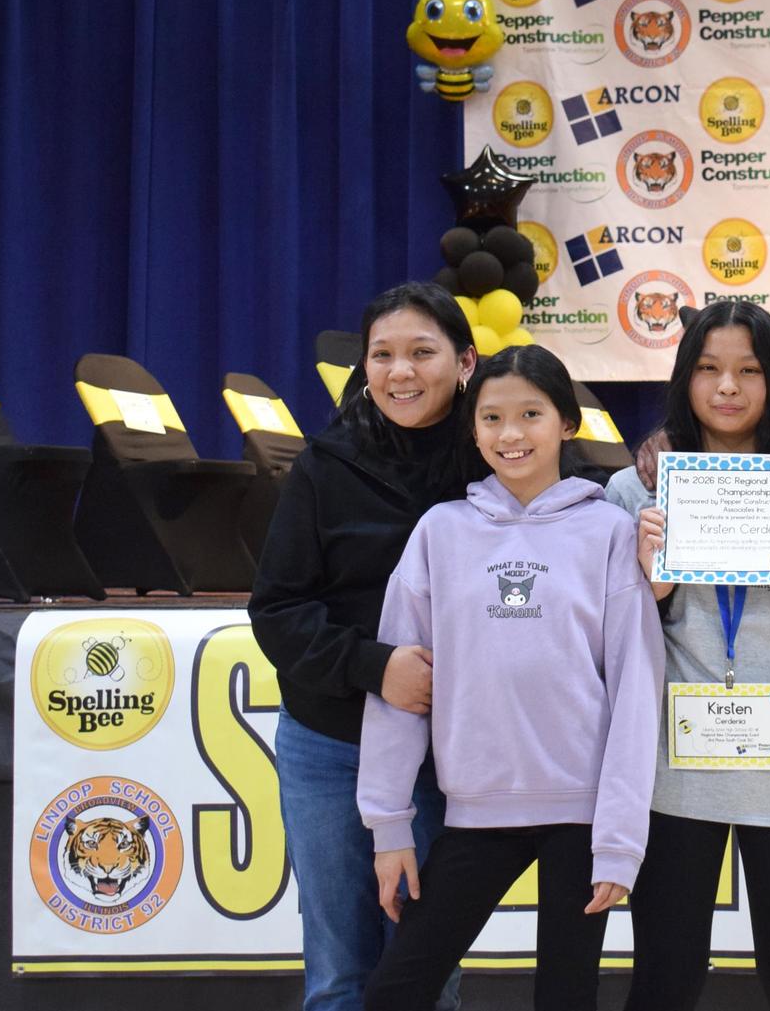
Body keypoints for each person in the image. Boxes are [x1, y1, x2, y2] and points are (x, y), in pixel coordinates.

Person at [358, 345, 665, 1011]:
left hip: (581, 819)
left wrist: (618, 841)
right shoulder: (441, 531)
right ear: (473, 430)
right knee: (395, 990)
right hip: (476, 808)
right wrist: (389, 828)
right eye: (492, 417)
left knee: (566, 997)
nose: (511, 433)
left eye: (531, 413)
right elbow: (400, 688)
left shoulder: (610, 532)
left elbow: (637, 690)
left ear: (567, 424)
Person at [604, 301, 770, 1011]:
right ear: (683, 378)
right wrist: (651, 588)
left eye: (749, 370)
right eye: (709, 369)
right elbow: (605, 651)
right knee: (665, 972)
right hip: (670, 762)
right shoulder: (634, 491)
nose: (727, 387)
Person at [249, 281, 475, 1011]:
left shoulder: (496, 456)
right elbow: (277, 610)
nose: (399, 372)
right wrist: (376, 668)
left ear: (466, 361)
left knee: (426, 971)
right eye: (383, 354)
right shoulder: (326, 462)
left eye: (421, 352)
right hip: (329, 743)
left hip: (447, 751)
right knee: (340, 973)